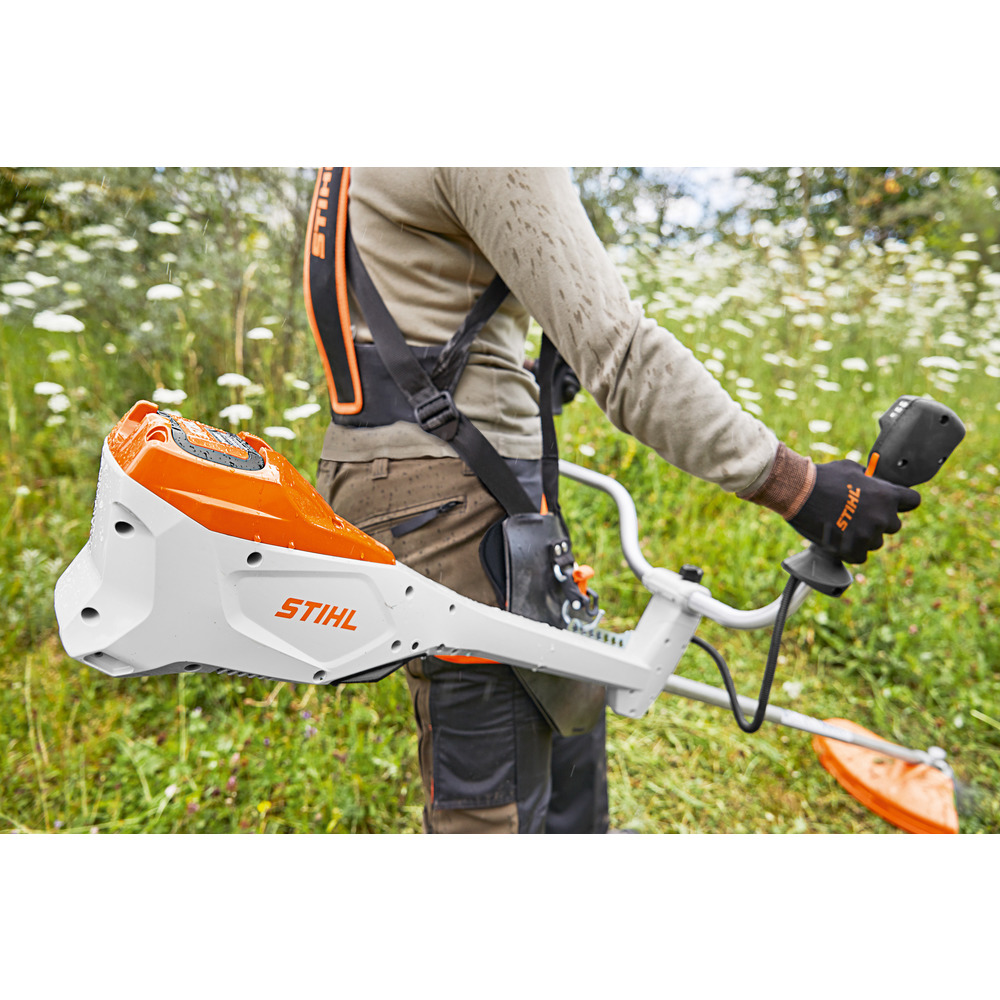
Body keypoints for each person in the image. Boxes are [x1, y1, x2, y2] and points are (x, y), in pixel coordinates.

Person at [312, 167, 919, 834]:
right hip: (457, 481)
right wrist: (797, 485)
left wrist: (525, 372)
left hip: (385, 461)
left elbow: (412, 292)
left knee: (559, 677)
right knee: (493, 775)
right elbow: (621, 351)